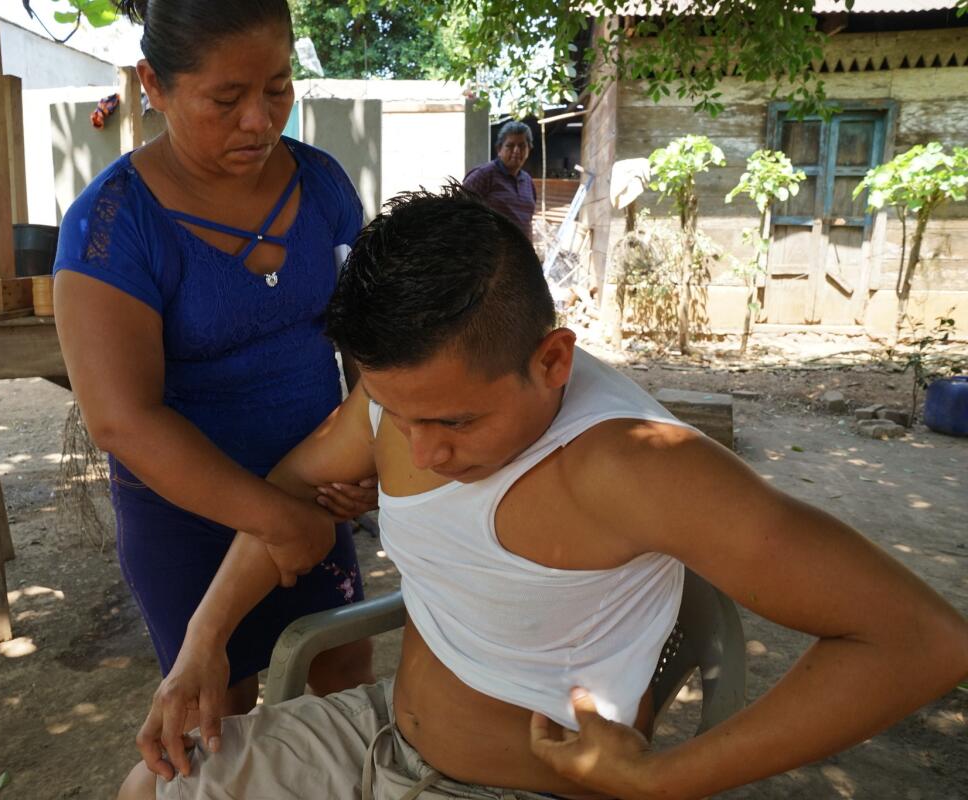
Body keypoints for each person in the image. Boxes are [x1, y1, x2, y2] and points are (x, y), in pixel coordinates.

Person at [117, 187, 968, 800]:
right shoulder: (410, 394)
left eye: (453, 421)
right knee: (148, 789)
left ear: (553, 361)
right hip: (376, 734)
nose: (418, 452)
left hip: (516, 785)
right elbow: (295, 482)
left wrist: (666, 778)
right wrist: (204, 641)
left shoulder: (638, 468)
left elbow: (919, 640)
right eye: (394, 413)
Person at [52, 0, 376, 727]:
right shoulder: (112, 226)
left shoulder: (321, 186)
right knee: (219, 706)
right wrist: (273, 518)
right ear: (154, 85)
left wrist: (372, 452)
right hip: (187, 517)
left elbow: (373, 342)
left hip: (319, 496)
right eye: (226, 99)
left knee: (343, 670)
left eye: (277, 88)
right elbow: (123, 418)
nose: (260, 120)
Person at [463, 120, 537, 239]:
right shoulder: (483, 175)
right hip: (490, 253)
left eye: (522, 145)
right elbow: (458, 211)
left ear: (529, 149)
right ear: (499, 149)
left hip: (520, 254)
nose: (517, 151)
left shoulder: (527, 181)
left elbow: (527, 222)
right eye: (510, 145)